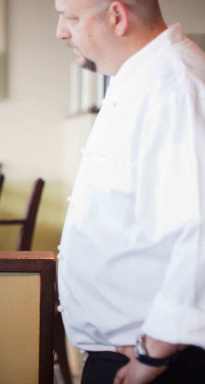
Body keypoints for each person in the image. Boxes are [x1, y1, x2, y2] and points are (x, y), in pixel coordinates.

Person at [54, 0, 205, 383]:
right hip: (127, 352)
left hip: (160, 363)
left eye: (70, 18)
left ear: (117, 16)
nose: (61, 32)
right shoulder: (138, 79)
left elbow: (200, 228)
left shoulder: (176, 86)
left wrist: (154, 354)